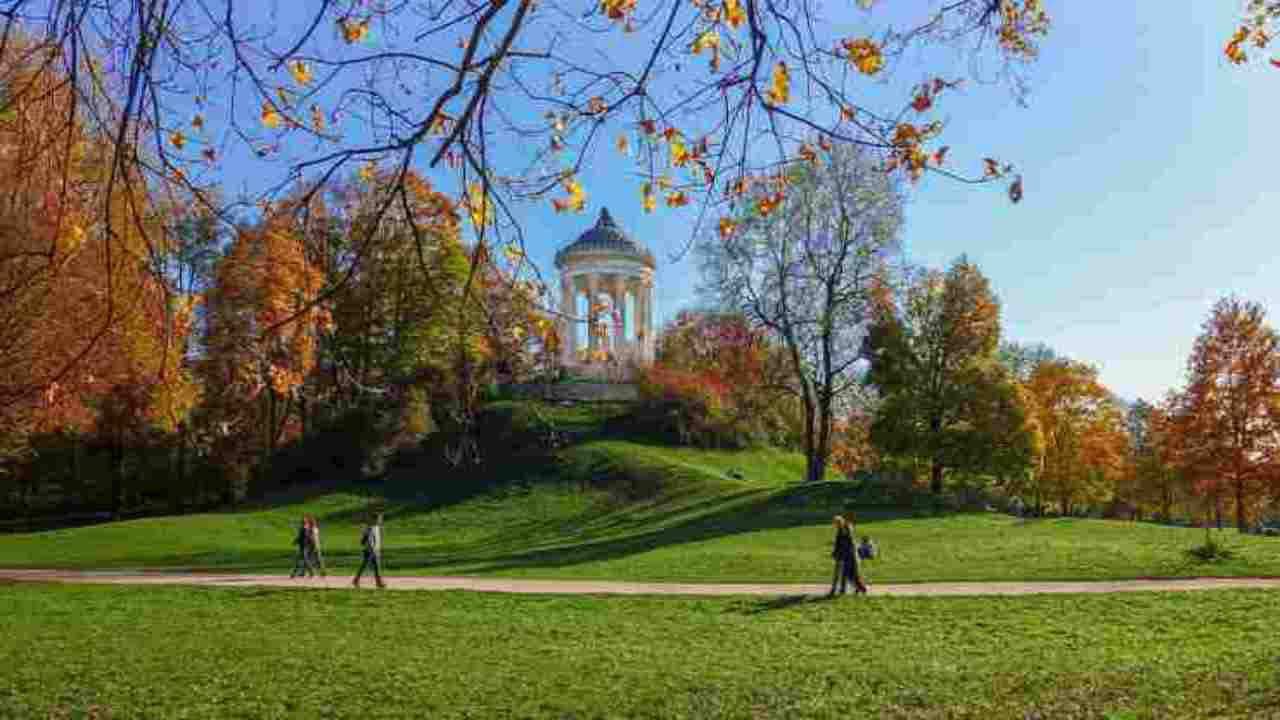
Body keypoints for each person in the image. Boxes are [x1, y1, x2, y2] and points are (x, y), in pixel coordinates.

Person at [353, 512, 386, 589]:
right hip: (370, 550)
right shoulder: (370, 528)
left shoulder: (376, 528)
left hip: (375, 549)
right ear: (375, 520)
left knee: (366, 566)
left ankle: (356, 579)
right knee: (376, 567)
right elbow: (367, 540)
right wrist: (372, 549)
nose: (380, 521)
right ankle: (379, 582)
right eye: (379, 519)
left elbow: (375, 539)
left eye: (380, 519)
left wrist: (378, 548)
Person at [828, 515, 856, 596]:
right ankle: (837, 589)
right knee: (839, 573)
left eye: (836, 523)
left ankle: (840, 589)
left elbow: (849, 542)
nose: (835, 525)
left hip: (845, 554)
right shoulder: (841, 529)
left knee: (842, 573)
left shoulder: (845, 529)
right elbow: (839, 542)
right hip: (841, 554)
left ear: (840, 522)